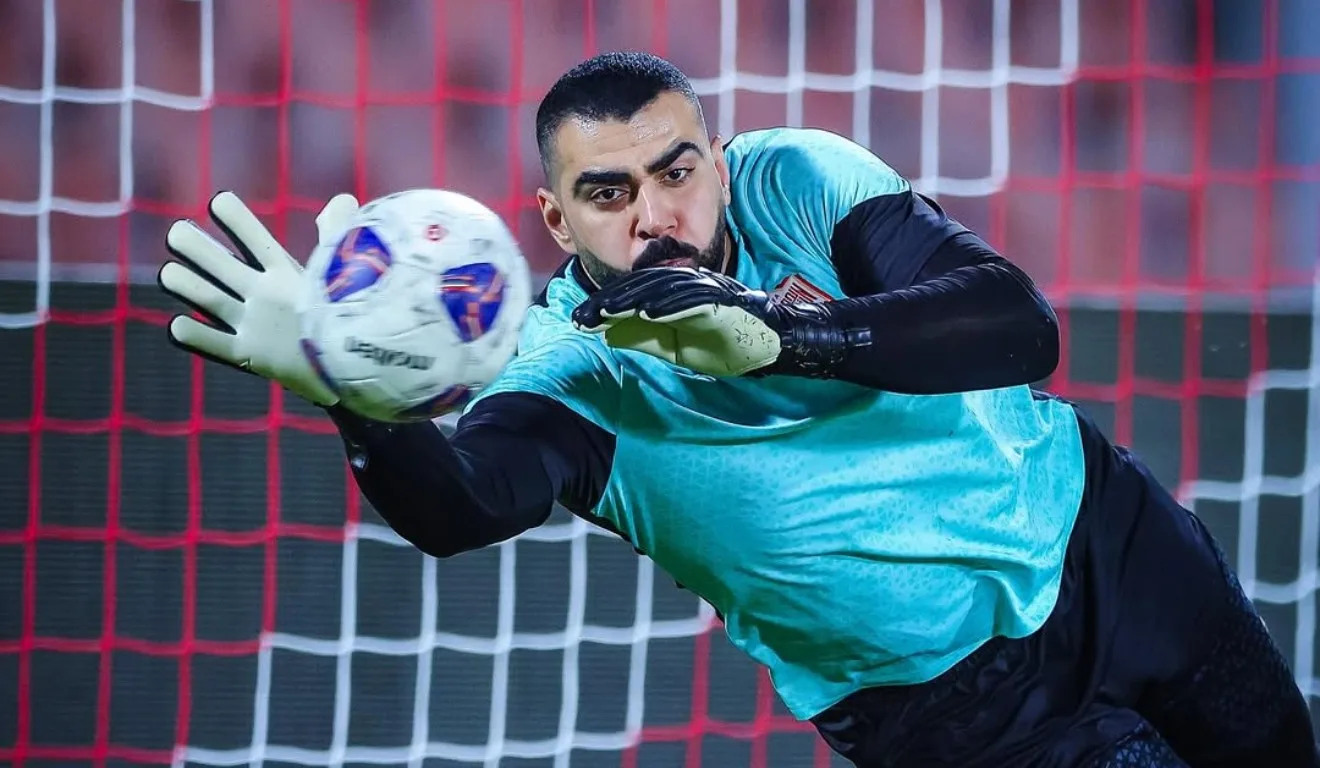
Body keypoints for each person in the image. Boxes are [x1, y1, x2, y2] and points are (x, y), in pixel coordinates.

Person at [157, 51, 1318, 767]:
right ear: (557, 225)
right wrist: (358, 398)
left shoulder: (795, 181)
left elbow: (1017, 324)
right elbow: (459, 507)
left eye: (676, 170)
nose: (654, 213)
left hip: (1106, 542)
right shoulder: (570, 373)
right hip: (957, 711)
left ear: (717, 158)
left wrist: (783, 333)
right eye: (607, 193)